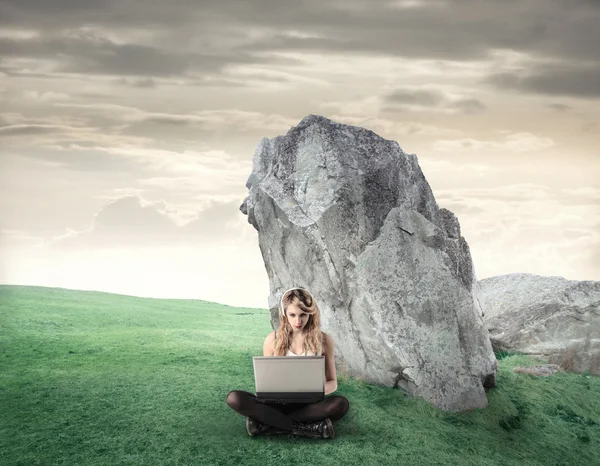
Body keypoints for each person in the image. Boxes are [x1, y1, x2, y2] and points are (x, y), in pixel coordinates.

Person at [226, 287, 350, 439]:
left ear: (311, 313)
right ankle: (310, 428)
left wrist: (313, 390)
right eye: (292, 315)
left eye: (303, 315)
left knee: (340, 404)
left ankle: (268, 424)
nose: (298, 321)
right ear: (284, 314)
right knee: (234, 398)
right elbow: (268, 381)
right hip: (278, 404)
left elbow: (332, 382)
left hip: (309, 404)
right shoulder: (272, 339)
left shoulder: (324, 340)